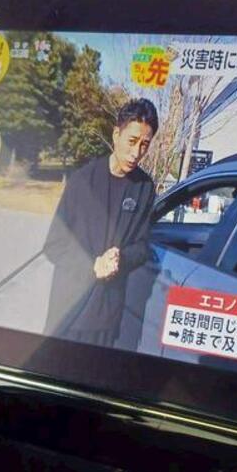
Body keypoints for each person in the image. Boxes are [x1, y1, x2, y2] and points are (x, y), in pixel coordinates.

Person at [43, 98, 158, 347]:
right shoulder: (82, 180)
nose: (136, 152)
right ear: (116, 135)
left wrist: (121, 259)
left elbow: (142, 247)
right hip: (69, 311)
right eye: (132, 141)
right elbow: (54, 245)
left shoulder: (144, 188)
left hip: (107, 314)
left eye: (144, 145)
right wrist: (92, 266)